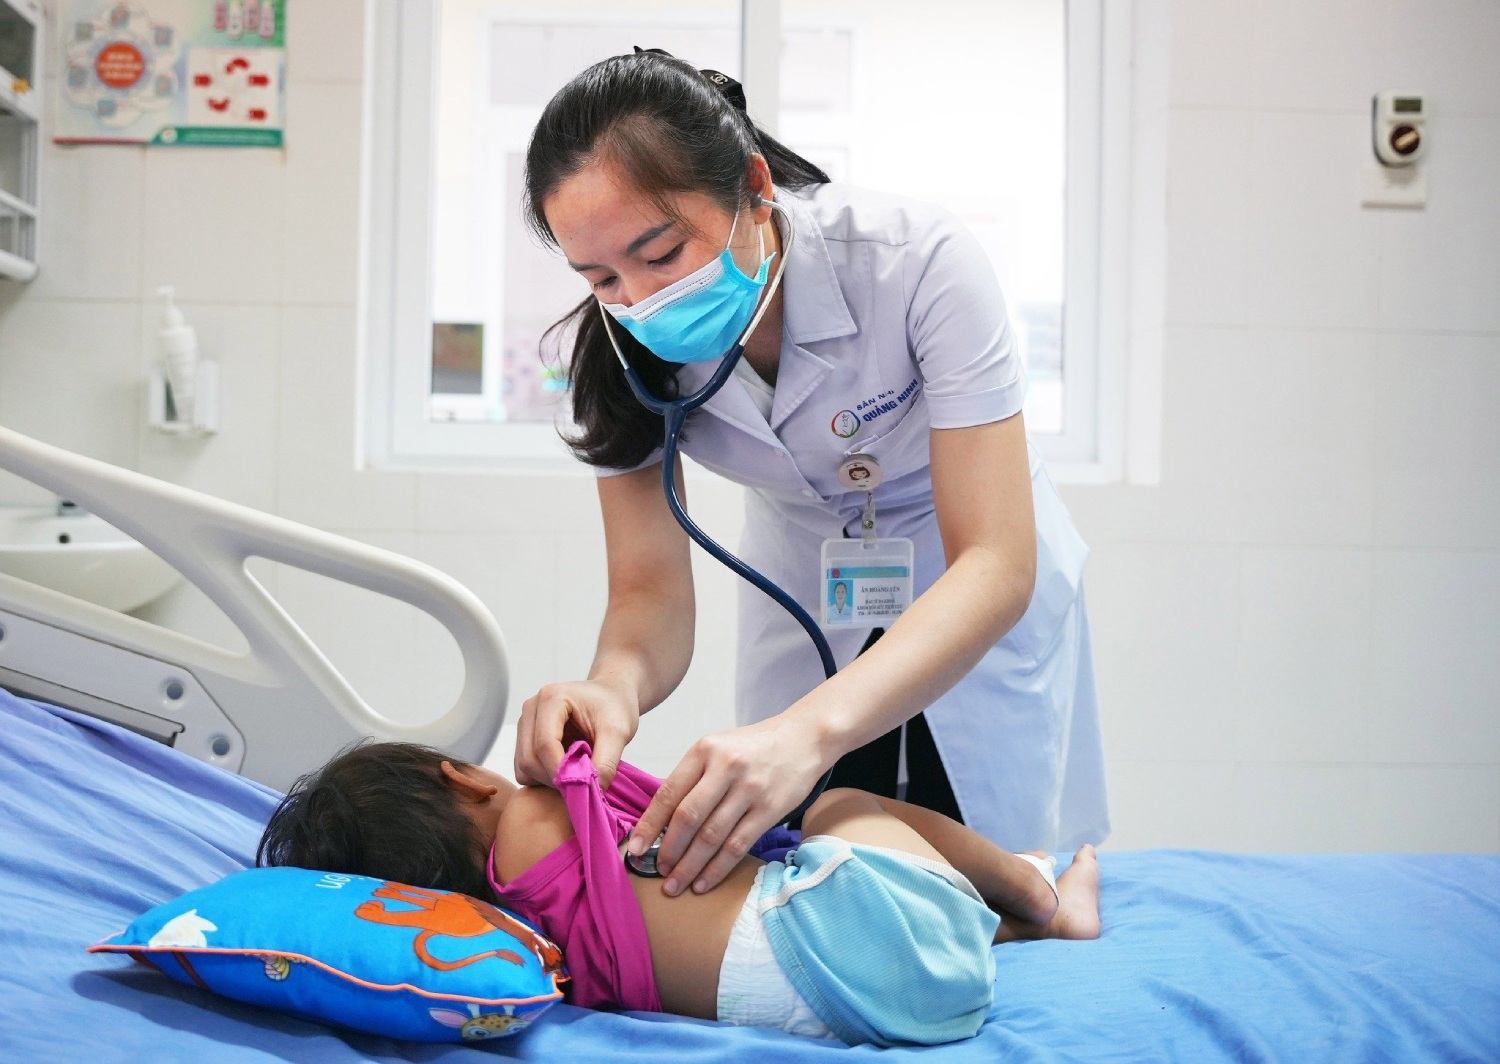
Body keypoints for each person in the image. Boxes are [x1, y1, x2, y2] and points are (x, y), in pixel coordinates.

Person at [513, 47, 1108, 902]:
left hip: (962, 572)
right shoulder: (615, 363)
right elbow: (646, 596)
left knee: (984, 874)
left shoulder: (918, 264)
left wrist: (806, 732)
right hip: (806, 577)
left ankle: (1047, 906)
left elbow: (996, 561)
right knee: (816, 866)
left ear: (753, 184)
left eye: (663, 252)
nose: (641, 302)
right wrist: (611, 687)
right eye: (602, 277)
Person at [257, 739, 1101, 1046]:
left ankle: (1004, 930)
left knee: (828, 879)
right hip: (859, 929)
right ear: (463, 778)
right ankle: (1033, 894)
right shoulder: (537, 809)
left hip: (829, 1006)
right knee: (845, 805)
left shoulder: (508, 941)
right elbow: (644, 806)